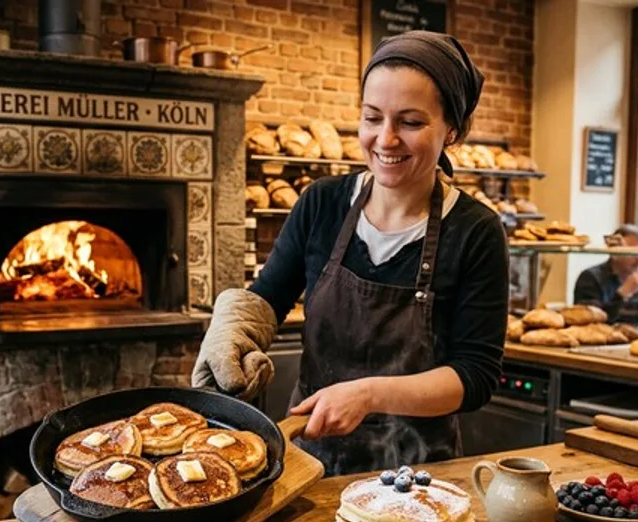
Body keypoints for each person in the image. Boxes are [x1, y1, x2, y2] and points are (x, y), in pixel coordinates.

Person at [193, 31, 508, 474]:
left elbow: (475, 376)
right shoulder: (322, 202)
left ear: (451, 129)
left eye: (411, 122)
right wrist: (233, 326)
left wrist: (368, 394)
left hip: (417, 473)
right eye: (372, 118)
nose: (386, 139)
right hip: (308, 459)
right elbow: (269, 296)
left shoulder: (475, 230)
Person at [573, 225, 638, 326]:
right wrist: (622, 294)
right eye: (633, 253)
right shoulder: (590, 278)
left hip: (630, 341)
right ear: (614, 254)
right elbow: (590, 323)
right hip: (598, 342)